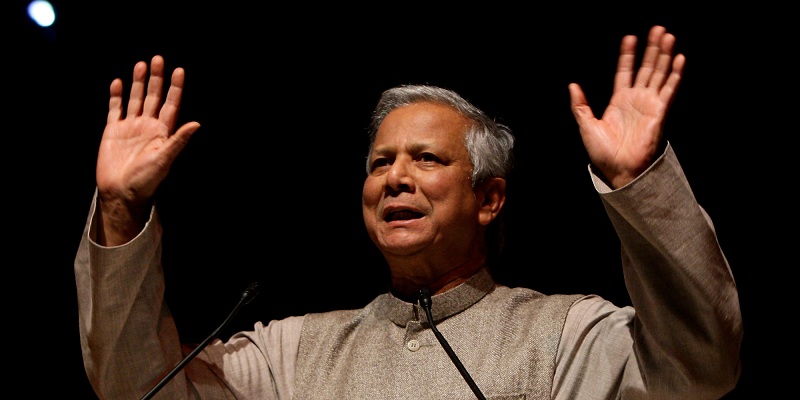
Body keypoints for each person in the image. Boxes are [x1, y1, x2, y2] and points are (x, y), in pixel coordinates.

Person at [74, 25, 742, 399]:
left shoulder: (566, 336)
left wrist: (637, 183)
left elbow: (700, 367)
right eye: (379, 162)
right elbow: (137, 392)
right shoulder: (292, 353)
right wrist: (120, 211)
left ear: (490, 198)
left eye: (426, 159)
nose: (394, 177)